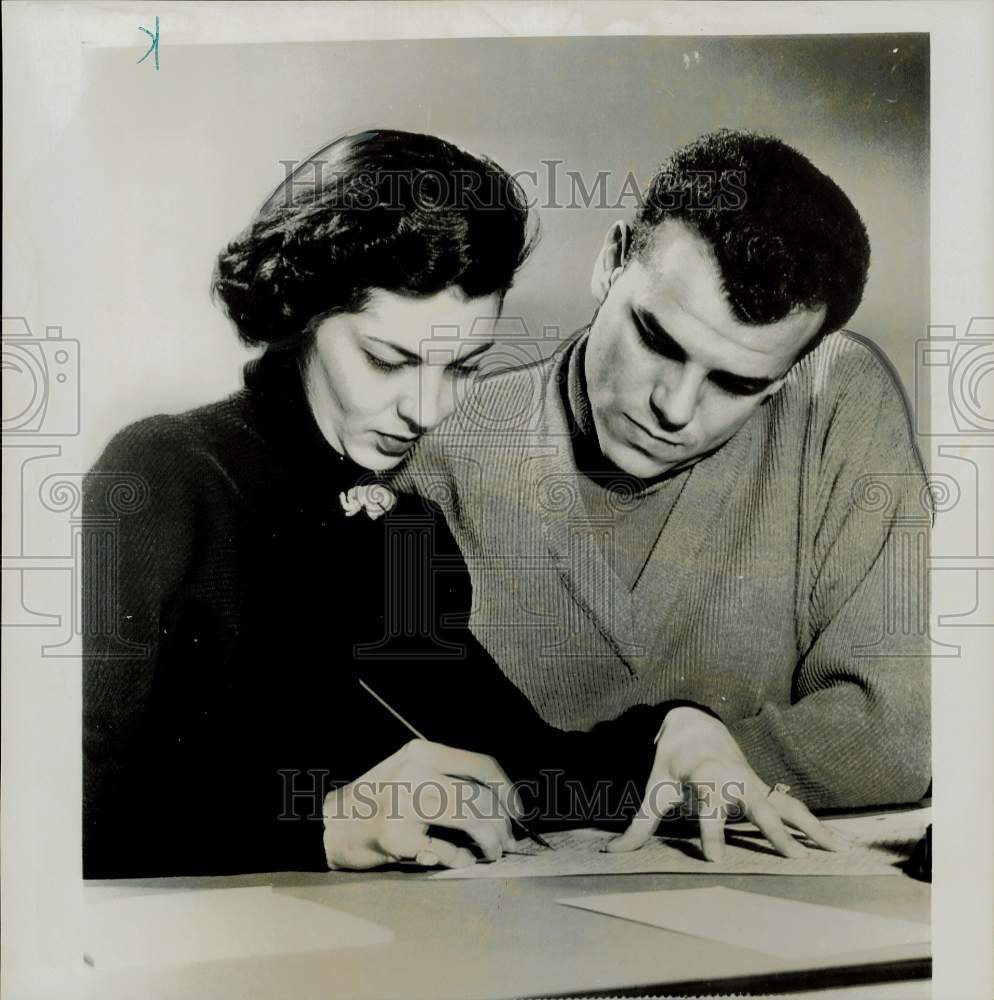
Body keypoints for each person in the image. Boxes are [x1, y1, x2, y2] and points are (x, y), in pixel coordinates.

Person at [82, 129, 843, 878]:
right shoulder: (164, 473)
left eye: (463, 367)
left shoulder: (403, 529)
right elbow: (62, 807)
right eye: (388, 360)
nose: (425, 408)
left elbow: (518, 767)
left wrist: (675, 736)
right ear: (301, 311)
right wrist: (321, 824)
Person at [394, 129, 931, 857]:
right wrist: (652, 765)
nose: (675, 408)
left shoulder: (837, 398)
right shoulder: (430, 443)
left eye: (738, 384)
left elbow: (895, 735)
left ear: (789, 372)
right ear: (611, 260)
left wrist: (580, 778)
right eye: (657, 339)